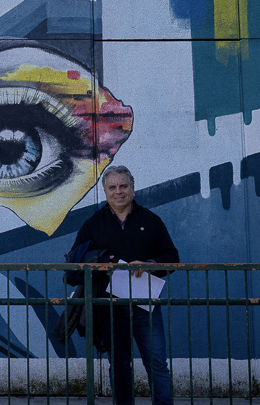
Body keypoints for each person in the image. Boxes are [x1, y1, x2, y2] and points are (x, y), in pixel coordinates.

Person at [70, 165, 179, 405]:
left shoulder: (151, 221)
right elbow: (73, 266)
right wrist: (99, 264)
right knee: (119, 365)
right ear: (105, 191)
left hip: (145, 305)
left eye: (123, 186)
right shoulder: (93, 224)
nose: (118, 192)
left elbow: (172, 257)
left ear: (132, 188)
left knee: (157, 362)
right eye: (112, 187)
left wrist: (150, 263)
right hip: (110, 308)